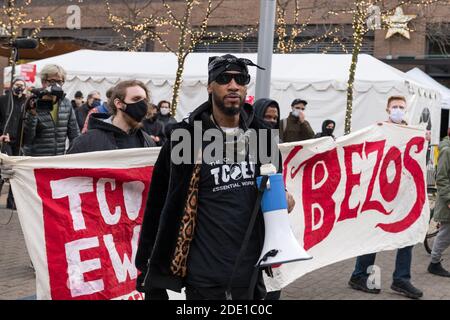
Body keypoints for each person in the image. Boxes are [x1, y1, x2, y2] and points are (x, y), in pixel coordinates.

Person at [135, 54, 294, 300]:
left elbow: (275, 193)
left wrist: (284, 201)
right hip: (204, 279)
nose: (233, 85)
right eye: (224, 79)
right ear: (210, 85)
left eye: (240, 79)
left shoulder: (262, 136)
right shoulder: (186, 138)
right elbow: (159, 205)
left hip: (250, 275)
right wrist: (147, 269)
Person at [348, 95, 423, 299]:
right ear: (388, 110)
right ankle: (359, 274)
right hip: (379, 194)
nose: (398, 110)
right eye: (395, 107)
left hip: (402, 194)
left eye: (401, 107)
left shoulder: (410, 133)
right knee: (374, 234)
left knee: (406, 235)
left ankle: (401, 279)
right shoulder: (379, 130)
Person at [67, 80, 156, 154]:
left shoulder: (148, 142)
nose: (143, 105)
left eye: (145, 100)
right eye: (136, 99)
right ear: (118, 103)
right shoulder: (85, 142)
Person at [253, 97, 283, 300]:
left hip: (270, 224)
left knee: (273, 289)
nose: (271, 121)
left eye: (275, 118)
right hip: (249, 229)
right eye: (266, 117)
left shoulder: (273, 147)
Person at [22, 64, 80, 156]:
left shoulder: (66, 103)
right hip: (37, 160)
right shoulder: (33, 103)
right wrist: (32, 114)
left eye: (59, 81)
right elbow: (27, 139)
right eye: (52, 81)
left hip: (58, 159)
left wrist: (72, 155)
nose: (56, 85)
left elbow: (74, 135)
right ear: (43, 82)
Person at [427, 128, 450, 278]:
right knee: (446, 233)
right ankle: (434, 263)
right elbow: (441, 177)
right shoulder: (447, 150)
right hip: (448, 199)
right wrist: (449, 198)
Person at [0, 77, 27, 156]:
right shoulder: (3, 100)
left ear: (24, 88)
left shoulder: (26, 101)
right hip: (5, 139)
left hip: (19, 142)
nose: (19, 87)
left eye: (22, 85)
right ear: (12, 86)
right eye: (17, 84)